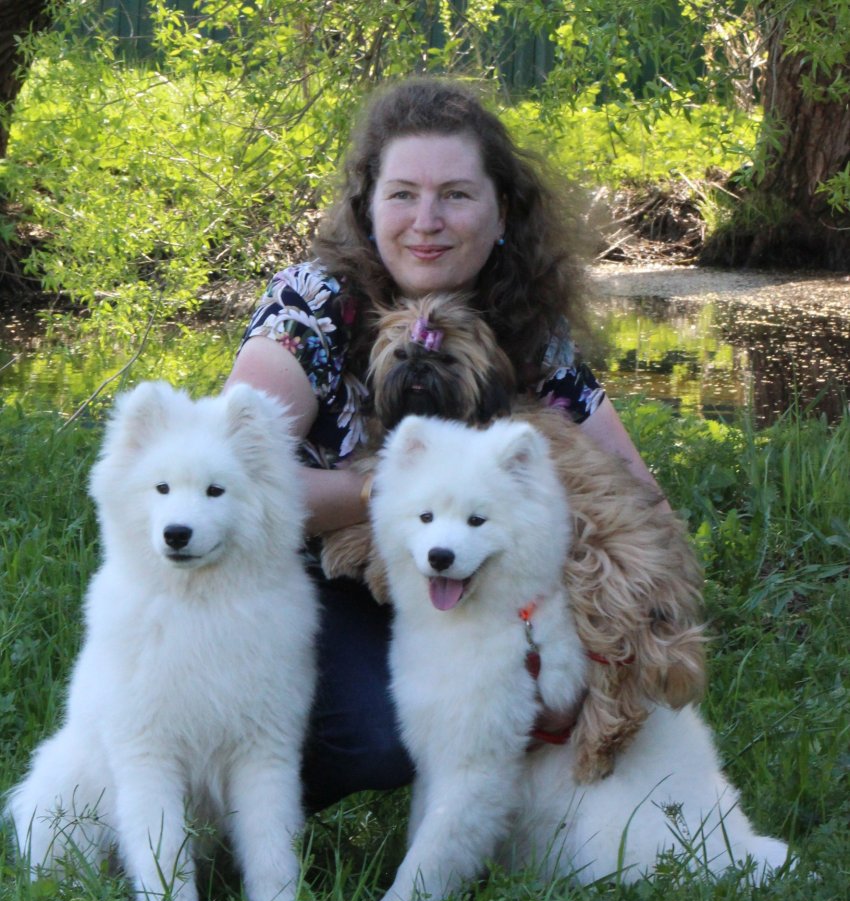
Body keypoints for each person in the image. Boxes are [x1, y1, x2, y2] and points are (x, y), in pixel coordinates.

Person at [226, 76, 667, 812]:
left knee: (550, 670)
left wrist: (612, 625)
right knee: (378, 731)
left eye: (456, 195)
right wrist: (392, 490)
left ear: (503, 212)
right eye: (402, 194)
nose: (426, 221)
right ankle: (235, 796)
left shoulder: (530, 325)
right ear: (368, 207)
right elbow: (232, 487)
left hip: (454, 574)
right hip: (302, 580)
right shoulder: (314, 304)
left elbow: (637, 492)